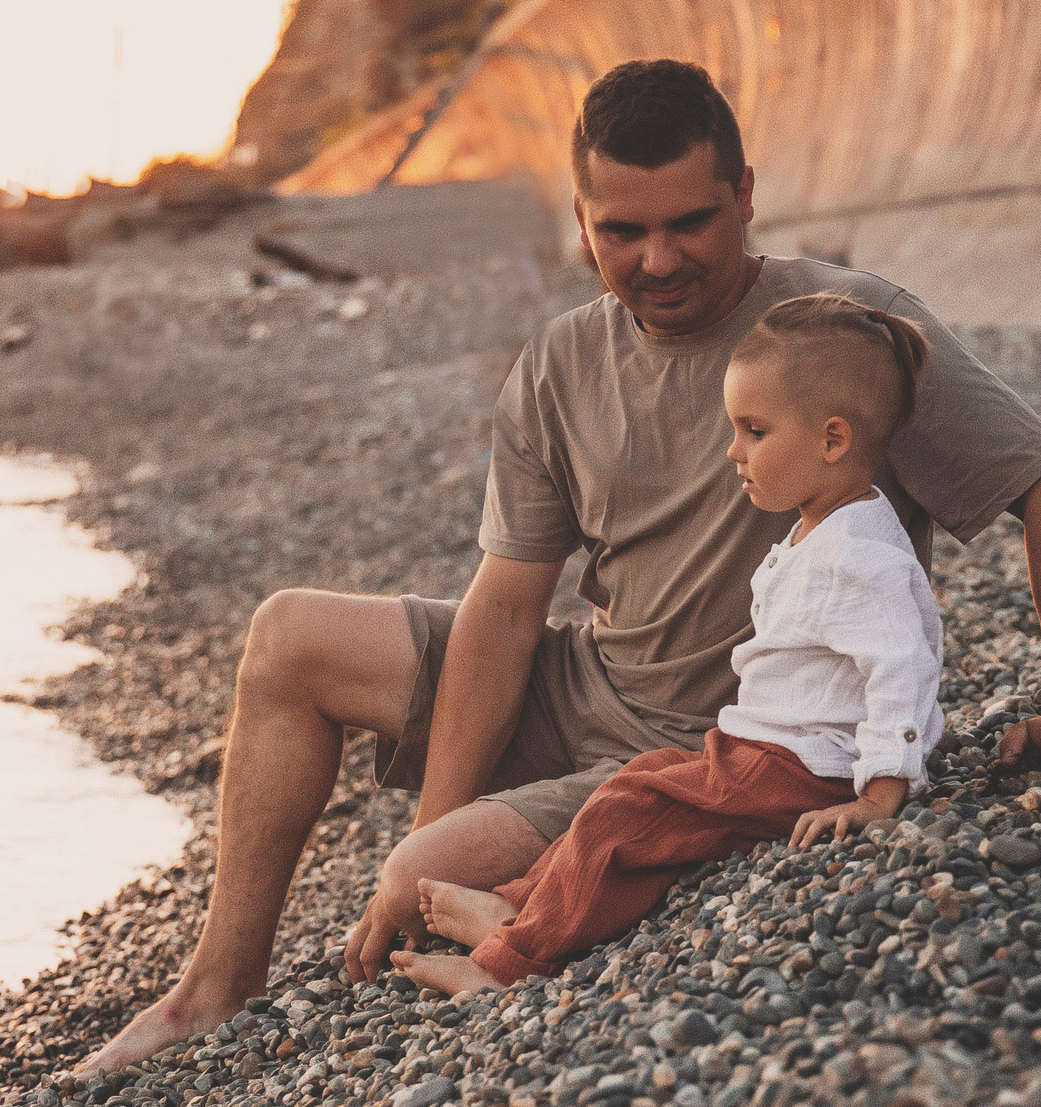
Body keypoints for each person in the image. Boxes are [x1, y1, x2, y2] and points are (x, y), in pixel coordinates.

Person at [81, 57, 1041, 1077]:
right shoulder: (560, 362)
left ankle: (476, 876)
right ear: (580, 222)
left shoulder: (840, 334)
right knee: (289, 635)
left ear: (746, 198)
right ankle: (214, 987)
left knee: (428, 877)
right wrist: (431, 823)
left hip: (720, 745)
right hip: (587, 680)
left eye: (689, 223)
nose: (659, 261)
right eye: (621, 232)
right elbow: (502, 613)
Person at [392, 293, 944, 993]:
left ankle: (505, 964)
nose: (733, 451)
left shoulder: (861, 555)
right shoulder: (826, 525)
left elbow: (903, 666)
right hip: (769, 753)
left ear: (831, 441)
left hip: (800, 766)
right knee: (634, 786)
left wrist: (880, 793)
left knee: (625, 817)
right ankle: (519, 905)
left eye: (753, 430)